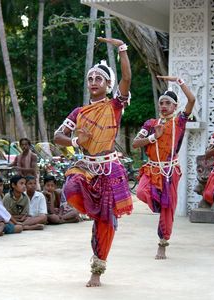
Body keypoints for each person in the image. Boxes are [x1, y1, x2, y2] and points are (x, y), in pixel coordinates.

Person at [54, 37, 133, 287]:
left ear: (108, 84)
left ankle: (97, 270)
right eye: (90, 78)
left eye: (99, 78)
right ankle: (93, 210)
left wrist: (121, 49)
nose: (93, 82)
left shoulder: (115, 106)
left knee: (106, 222)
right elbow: (58, 136)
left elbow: (127, 79)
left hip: (110, 169)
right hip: (86, 168)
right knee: (70, 187)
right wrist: (77, 141)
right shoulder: (79, 112)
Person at [132, 75, 195, 260]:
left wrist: (179, 81)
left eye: (168, 103)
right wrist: (153, 137)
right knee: (142, 192)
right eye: (162, 103)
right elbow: (136, 143)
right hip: (152, 169)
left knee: (168, 212)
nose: (164, 106)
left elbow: (191, 100)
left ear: (175, 106)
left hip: (169, 171)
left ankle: (162, 245)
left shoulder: (179, 122)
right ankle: (159, 203)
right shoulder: (151, 124)